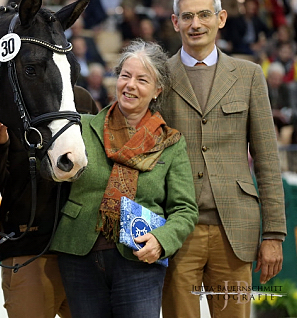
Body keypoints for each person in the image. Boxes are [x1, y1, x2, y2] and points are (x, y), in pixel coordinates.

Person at [161, 0, 286, 317]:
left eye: (204, 14)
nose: (195, 23)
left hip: (235, 231)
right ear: (175, 22)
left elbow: (267, 160)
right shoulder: (158, 76)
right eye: (187, 16)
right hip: (175, 228)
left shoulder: (248, 75)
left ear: (221, 18)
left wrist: (274, 234)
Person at [51, 40, 198, 318]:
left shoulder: (170, 142)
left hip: (139, 261)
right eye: (125, 76)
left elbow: (185, 210)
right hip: (78, 257)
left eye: (142, 80)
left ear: (157, 91)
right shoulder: (81, 127)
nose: (130, 85)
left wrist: (161, 240)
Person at [0, 86, 98, 318]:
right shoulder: (7, 103)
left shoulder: (81, 98)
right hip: (29, 248)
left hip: (82, 249)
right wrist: (0, 144)